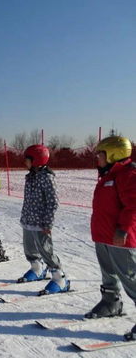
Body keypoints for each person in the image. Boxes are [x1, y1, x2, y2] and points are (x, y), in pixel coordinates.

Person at [84, 136, 136, 341]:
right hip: (104, 236)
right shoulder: (107, 175)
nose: (97, 158)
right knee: (108, 274)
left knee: (130, 277)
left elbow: (133, 205)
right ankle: (111, 302)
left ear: (114, 154)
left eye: (101, 154)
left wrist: (123, 230)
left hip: (120, 238)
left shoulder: (128, 174)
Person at [18, 145, 69, 294]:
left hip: (41, 223)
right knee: (29, 248)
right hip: (28, 220)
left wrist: (47, 222)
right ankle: (37, 269)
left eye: (27, 160)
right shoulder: (30, 177)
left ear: (36, 160)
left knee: (46, 250)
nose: (25, 163)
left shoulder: (47, 177)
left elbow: (53, 202)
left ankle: (60, 278)